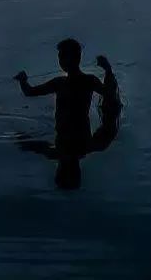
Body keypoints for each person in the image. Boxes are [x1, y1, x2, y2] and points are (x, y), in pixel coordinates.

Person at [15, 38, 120, 188]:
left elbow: (30, 92)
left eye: (61, 57)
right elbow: (109, 94)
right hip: (79, 132)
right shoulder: (87, 81)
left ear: (68, 59)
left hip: (65, 132)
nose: (59, 60)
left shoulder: (61, 83)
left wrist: (22, 79)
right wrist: (107, 69)